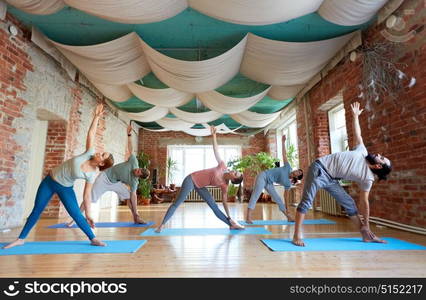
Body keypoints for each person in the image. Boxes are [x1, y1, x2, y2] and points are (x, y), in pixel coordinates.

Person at [3, 104, 114, 249]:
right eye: (102, 152)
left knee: (76, 214)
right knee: (37, 210)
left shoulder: (92, 174)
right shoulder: (89, 152)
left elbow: (87, 196)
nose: (100, 152)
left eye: (103, 155)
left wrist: (89, 214)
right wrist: (96, 117)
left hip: (65, 188)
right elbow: (91, 134)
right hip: (49, 182)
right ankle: (21, 238)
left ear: (101, 163)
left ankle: (93, 238)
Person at [292, 102, 392, 246]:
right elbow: (358, 134)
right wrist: (355, 116)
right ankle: (296, 236)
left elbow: (364, 202)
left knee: (350, 203)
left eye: (382, 158)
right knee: (307, 202)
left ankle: (366, 235)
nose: (379, 154)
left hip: (331, 179)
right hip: (319, 169)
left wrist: (367, 225)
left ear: (378, 166)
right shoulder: (362, 151)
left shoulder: (367, 179)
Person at [155, 126, 245, 233]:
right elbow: (216, 150)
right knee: (177, 203)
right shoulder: (222, 166)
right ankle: (161, 225)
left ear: (233, 180)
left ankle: (231, 224)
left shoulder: (224, 186)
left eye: (235, 173)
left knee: (214, 207)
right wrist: (214, 135)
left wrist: (229, 216)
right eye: (235, 171)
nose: (233, 171)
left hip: (200, 186)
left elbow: (225, 202)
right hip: (191, 180)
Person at [66, 124, 150, 227]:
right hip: (104, 178)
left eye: (138, 172)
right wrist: (129, 135)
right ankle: (74, 220)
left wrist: (136, 211)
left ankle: (136, 218)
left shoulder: (134, 182)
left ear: (139, 177)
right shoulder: (134, 162)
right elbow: (130, 149)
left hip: (116, 183)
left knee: (129, 197)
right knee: (89, 198)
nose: (137, 170)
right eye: (139, 169)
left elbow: (134, 196)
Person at [245, 135, 303, 223]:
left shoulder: (288, 183)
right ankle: (248, 217)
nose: (296, 171)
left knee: (278, 199)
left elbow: (285, 196)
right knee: (256, 195)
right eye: (298, 170)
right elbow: (284, 154)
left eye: (298, 173)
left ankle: (288, 217)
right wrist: (283, 142)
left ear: (296, 177)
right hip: (263, 176)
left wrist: (287, 208)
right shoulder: (288, 167)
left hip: (269, 183)